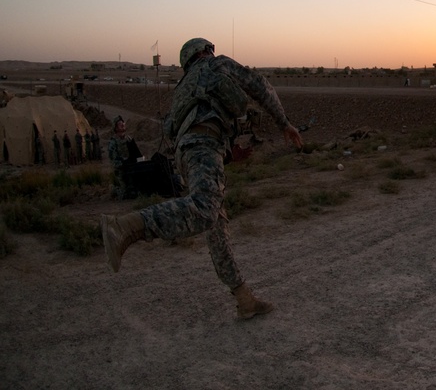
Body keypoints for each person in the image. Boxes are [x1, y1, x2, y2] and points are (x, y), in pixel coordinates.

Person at [100, 38, 303, 320]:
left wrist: (226, 152)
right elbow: (259, 85)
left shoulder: (184, 87)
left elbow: (177, 128)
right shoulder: (216, 64)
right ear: (205, 52)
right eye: (210, 50)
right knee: (206, 209)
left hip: (188, 155)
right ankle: (126, 227)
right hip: (204, 148)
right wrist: (284, 123)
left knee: (216, 229)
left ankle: (244, 300)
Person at [107, 116, 142, 198]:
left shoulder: (129, 139)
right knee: (126, 195)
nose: (122, 124)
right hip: (121, 171)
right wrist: (123, 163)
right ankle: (114, 189)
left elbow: (137, 155)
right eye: (119, 124)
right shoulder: (113, 142)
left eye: (123, 123)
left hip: (132, 169)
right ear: (115, 128)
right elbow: (113, 162)